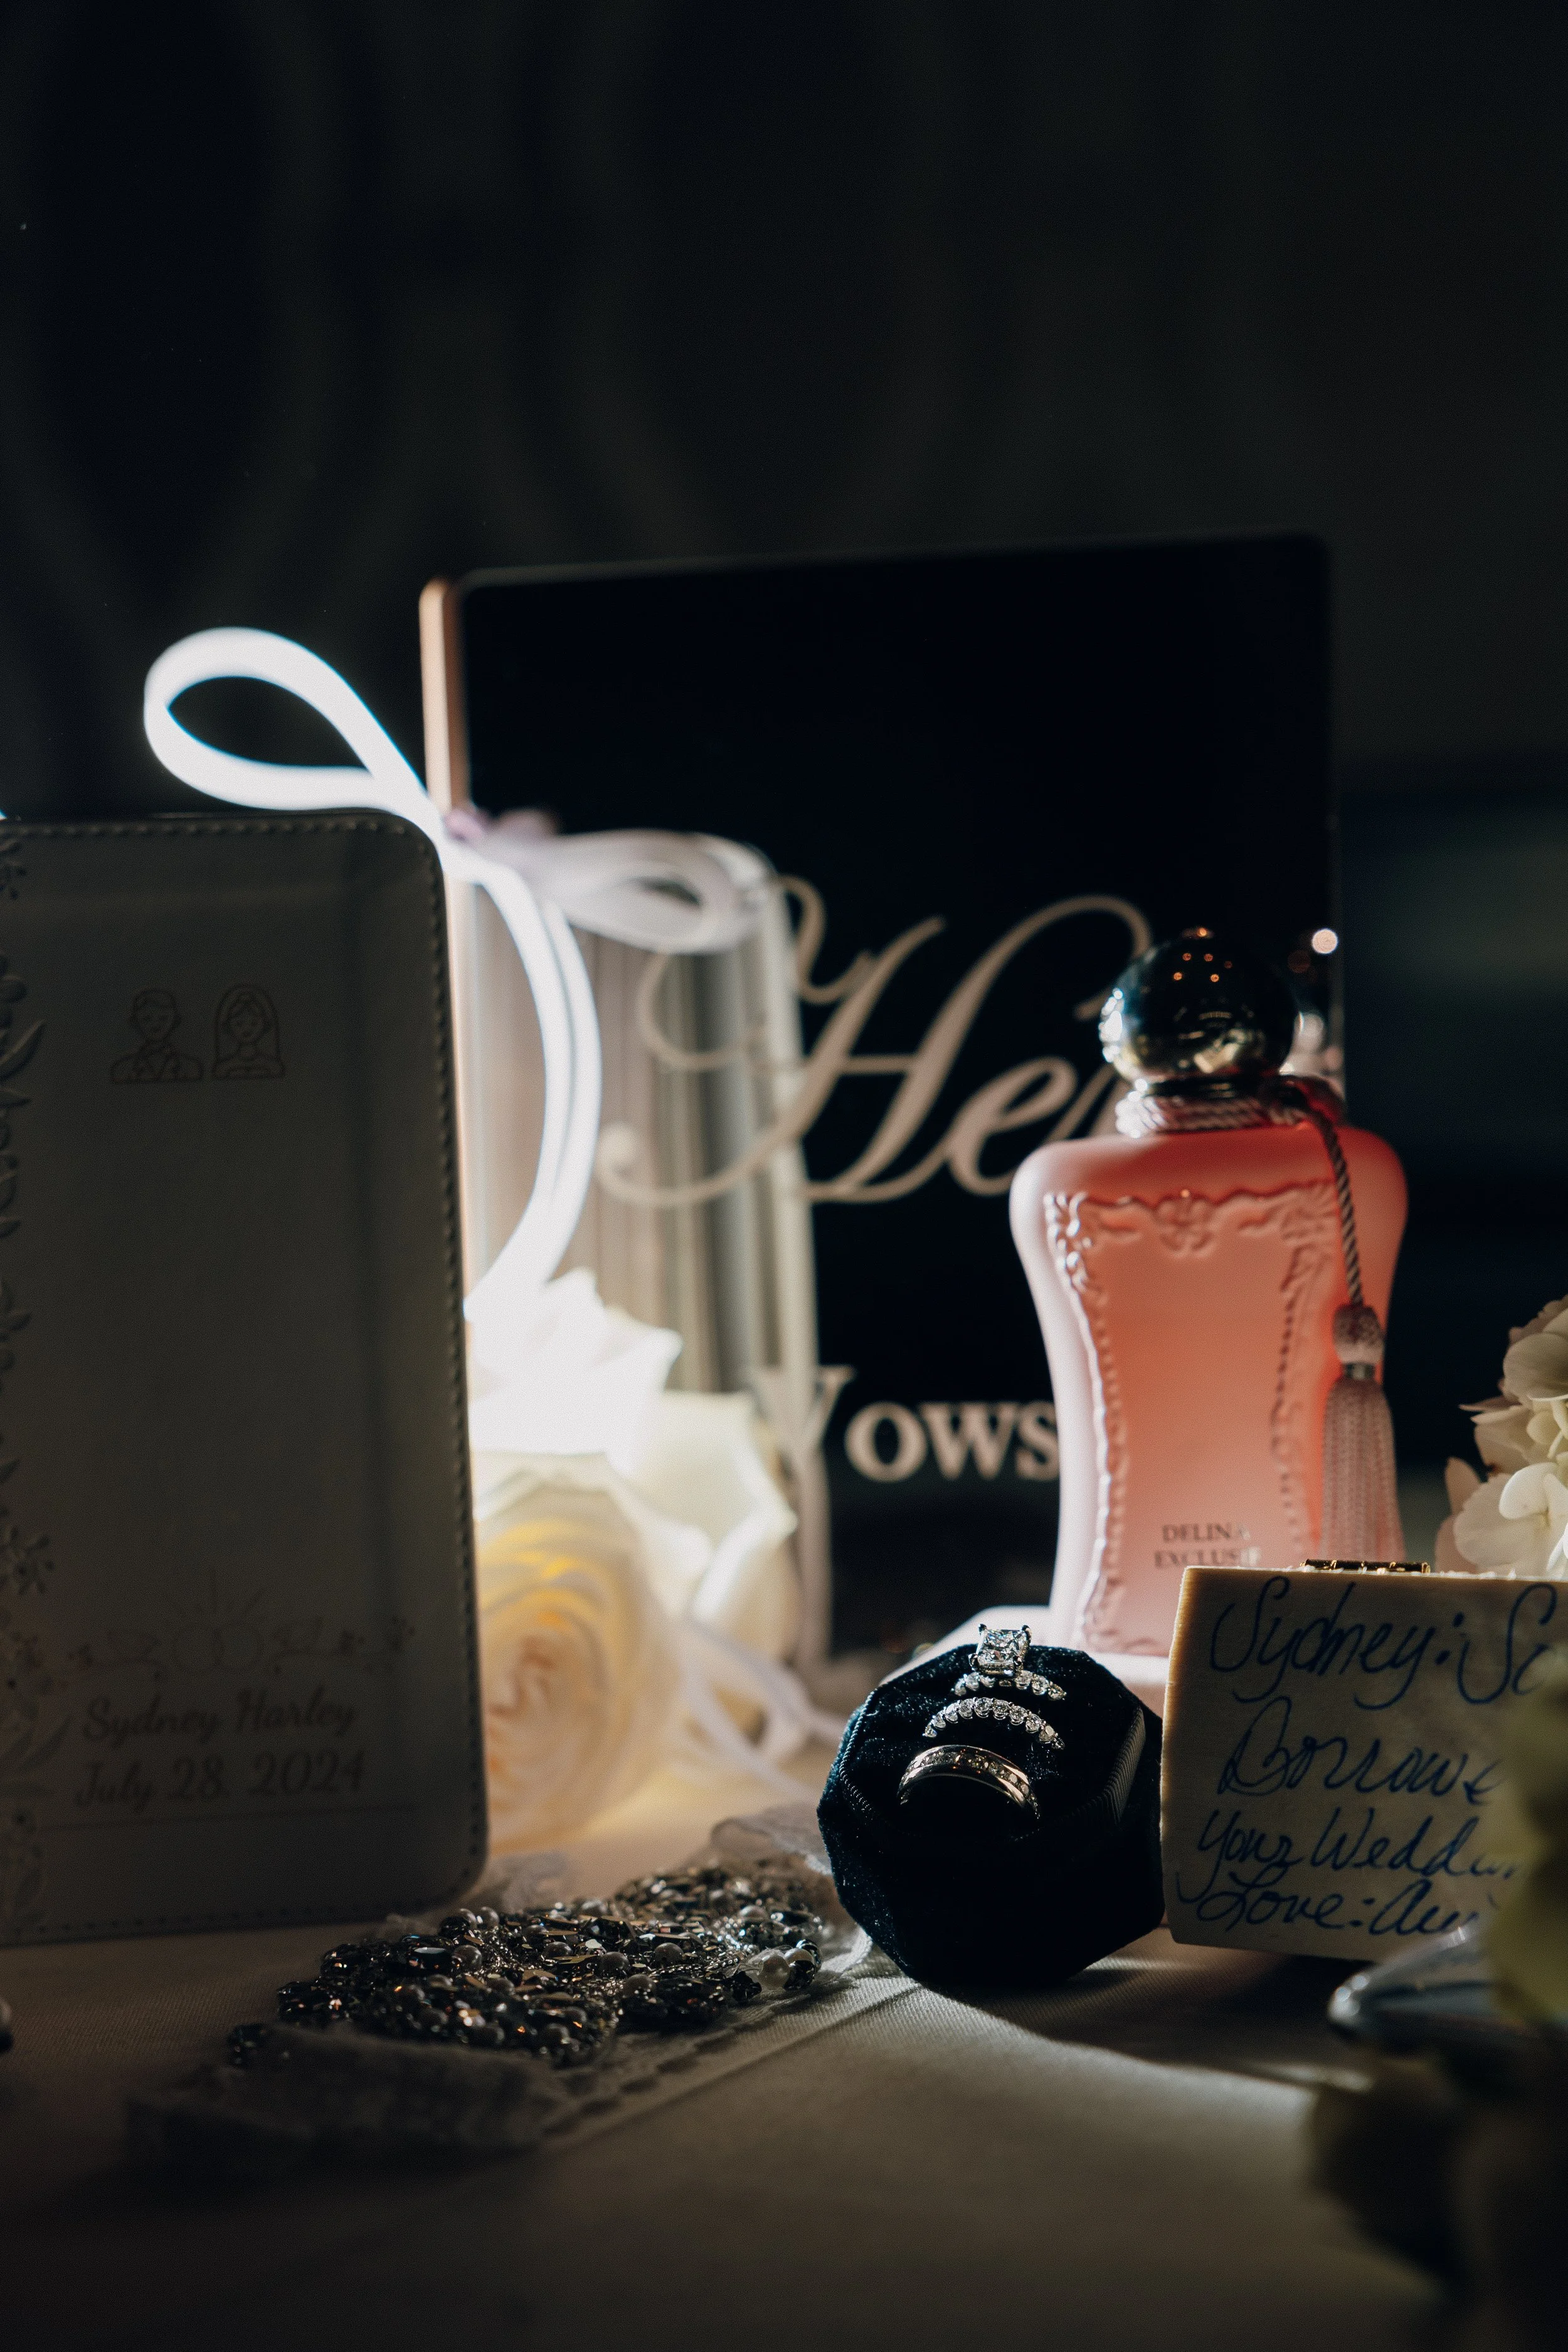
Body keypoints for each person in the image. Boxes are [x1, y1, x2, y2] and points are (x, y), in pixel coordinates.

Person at [110, 988, 200, 1082]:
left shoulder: (191, 1067)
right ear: (135, 1022)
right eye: (147, 1019)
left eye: (163, 1018)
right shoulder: (122, 1070)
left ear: (174, 1021)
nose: (156, 1025)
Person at [212, 985, 283, 1079]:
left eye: (254, 1024)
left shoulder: (272, 1065)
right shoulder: (224, 1066)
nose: (247, 1029)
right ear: (228, 1027)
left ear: (265, 1026)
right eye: (239, 1024)